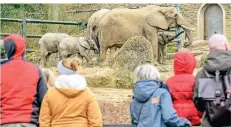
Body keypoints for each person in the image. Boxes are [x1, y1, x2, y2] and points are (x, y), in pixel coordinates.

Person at [39, 58, 102, 127]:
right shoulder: (87, 92)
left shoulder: (50, 93)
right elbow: (96, 121)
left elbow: (44, 121)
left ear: (60, 72)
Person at [1, 34, 48, 127]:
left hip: (3, 121)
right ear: (23, 49)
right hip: (29, 122)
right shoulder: (35, 70)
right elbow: (44, 99)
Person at [193, 34, 231, 127]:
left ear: (209, 49)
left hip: (210, 123)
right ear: (226, 46)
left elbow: (199, 104)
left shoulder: (202, 74)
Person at [166, 51, 203, 126]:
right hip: (195, 117)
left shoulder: (168, 82)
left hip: (176, 118)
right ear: (192, 64)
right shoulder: (196, 80)